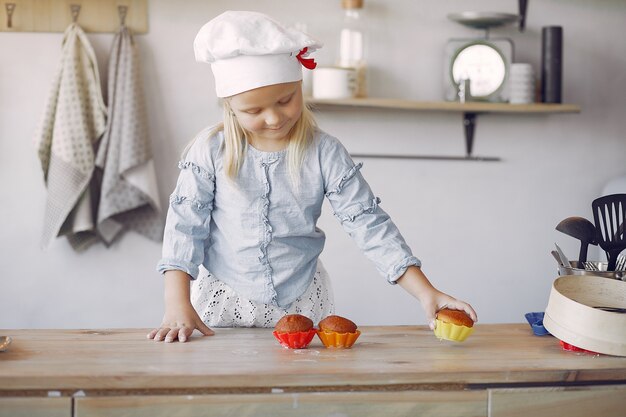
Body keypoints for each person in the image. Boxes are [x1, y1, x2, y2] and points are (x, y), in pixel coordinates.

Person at [148, 11, 477, 343]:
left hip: (301, 301)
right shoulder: (208, 150)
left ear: (299, 86)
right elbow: (185, 226)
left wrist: (425, 292)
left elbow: (368, 224)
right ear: (229, 106)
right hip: (222, 303)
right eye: (253, 111)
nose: (274, 118)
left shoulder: (325, 153)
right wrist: (177, 302)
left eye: (285, 99)